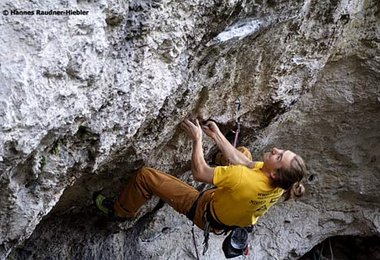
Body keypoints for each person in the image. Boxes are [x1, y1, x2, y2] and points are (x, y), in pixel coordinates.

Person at [94, 118, 306, 244]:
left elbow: (200, 173)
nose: (276, 150)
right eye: (282, 152)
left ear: (274, 174)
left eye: (279, 157)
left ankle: (122, 211)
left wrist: (197, 139)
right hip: (228, 210)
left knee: (146, 176)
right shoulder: (280, 186)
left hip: (202, 211)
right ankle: (219, 162)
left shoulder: (243, 178)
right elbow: (243, 161)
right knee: (244, 152)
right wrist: (216, 136)